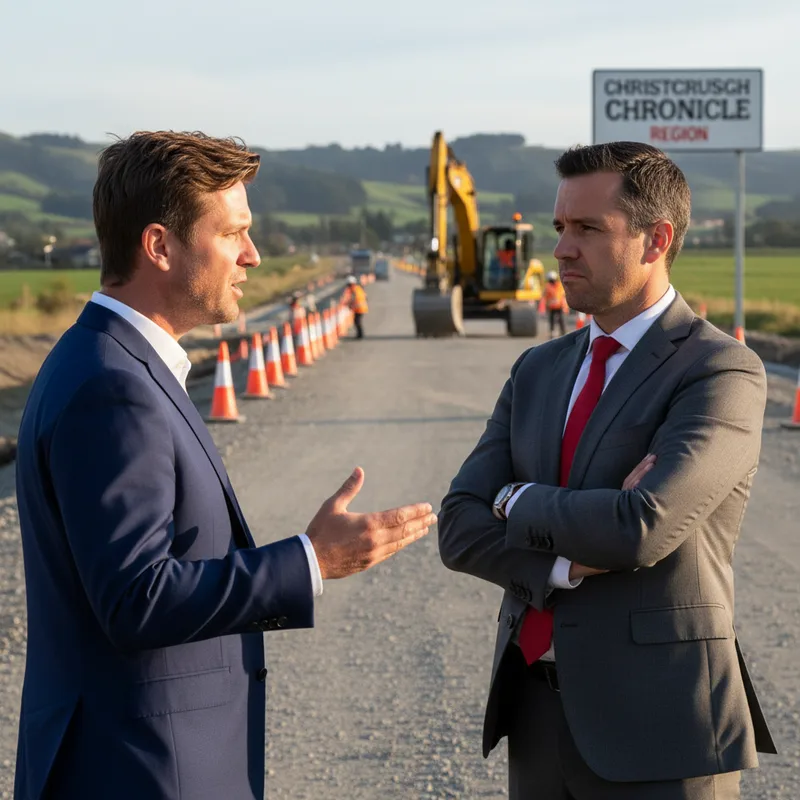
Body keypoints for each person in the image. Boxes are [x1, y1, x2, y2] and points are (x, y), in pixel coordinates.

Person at [13, 131, 436, 800]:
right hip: (139, 772)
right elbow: (136, 599)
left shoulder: (110, 360)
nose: (252, 254)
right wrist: (312, 561)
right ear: (160, 246)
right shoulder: (113, 386)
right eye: (233, 233)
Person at [438, 141, 776, 800]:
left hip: (663, 727)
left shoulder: (721, 370)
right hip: (536, 714)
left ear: (657, 240)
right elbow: (457, 526)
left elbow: (639, 527)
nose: (561, 249)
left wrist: (513, 500)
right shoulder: (538, 369)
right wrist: (563, 564)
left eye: (588, 228)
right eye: (560, 226)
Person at [544, 270, 568, 338]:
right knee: (551, 319)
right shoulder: (548, 286)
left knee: (561, 319)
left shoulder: (559, 285)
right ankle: (552, 331)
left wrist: (564, 306)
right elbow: (546, 296)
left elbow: (562, 295)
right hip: (551, 306)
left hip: (559, 306)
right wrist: (547, 305)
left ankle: (563, 331)